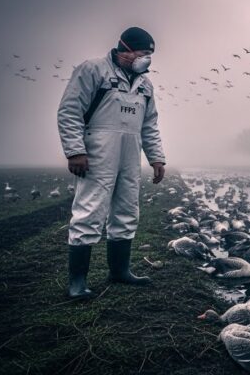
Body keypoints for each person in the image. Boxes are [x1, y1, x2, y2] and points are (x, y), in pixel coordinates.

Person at [57, 26, 166, 299]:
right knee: (90, 210)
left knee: (128, 209)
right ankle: (77, 282)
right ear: (125, 49)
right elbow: (70, 111)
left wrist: (156, 157)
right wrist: (74, 151)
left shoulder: (145, 84)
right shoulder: (93, 70)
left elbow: (149, 124)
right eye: (142, 53)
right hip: (96, 152)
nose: (145, 60)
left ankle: (119, 271)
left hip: (131, 152)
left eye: (149, 55)